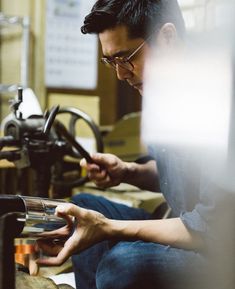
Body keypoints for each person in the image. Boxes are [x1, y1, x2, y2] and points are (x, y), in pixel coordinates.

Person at [37, 1, 233, 289]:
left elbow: (210, 228)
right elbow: (175, 174)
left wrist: (109, 228)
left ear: (167, 38)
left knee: (123, 263)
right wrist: (127, 171)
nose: (120, 74)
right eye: (111, 61)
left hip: (220, 248)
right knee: (82, 209)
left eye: (126, 57)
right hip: (183, 226)